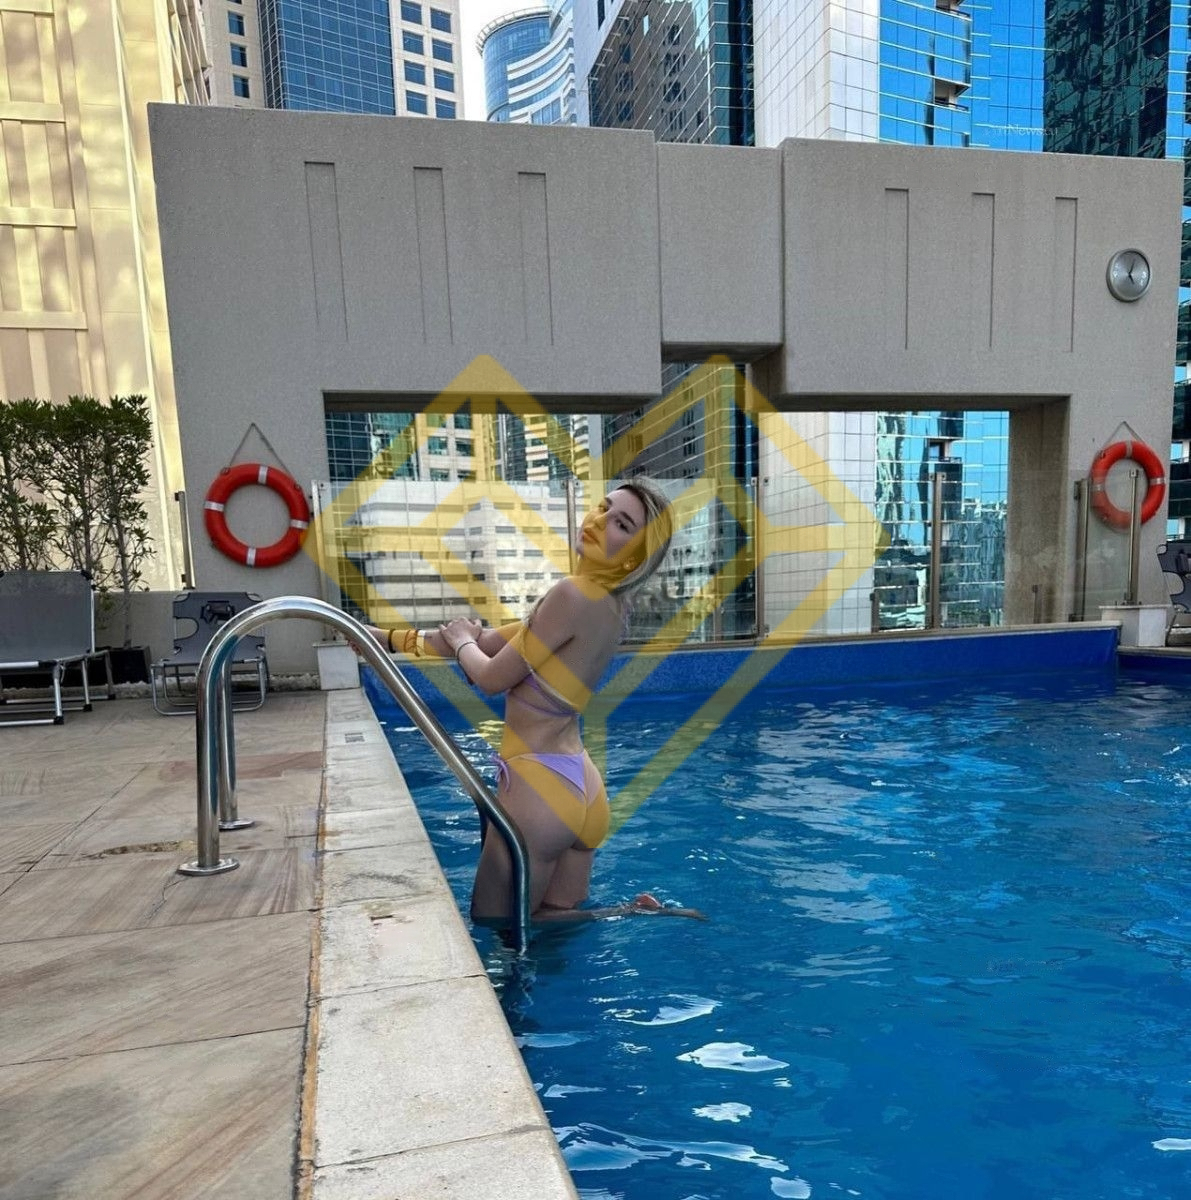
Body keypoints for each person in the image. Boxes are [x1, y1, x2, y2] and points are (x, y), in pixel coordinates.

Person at [362, 478, 705, 925]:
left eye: (621, 524)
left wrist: (463, 642)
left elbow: (489, 676)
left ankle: (627, 913)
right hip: (581, 787)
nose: (599, 521)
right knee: (552, 922)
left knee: (496, 924)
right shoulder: (612, 605)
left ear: (634, 558)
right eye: (603, 507)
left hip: (538, 787)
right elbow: (489, 641)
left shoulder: (570, 595)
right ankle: (629, 911)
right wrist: (384, 638)